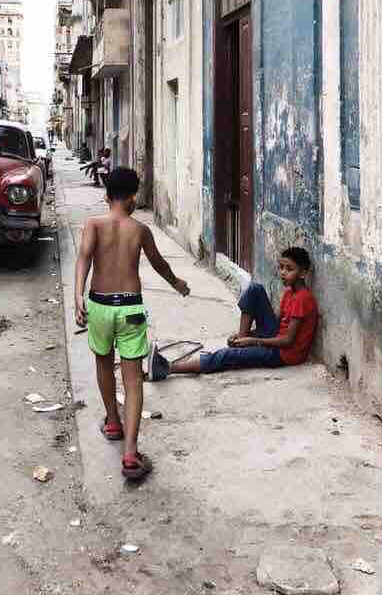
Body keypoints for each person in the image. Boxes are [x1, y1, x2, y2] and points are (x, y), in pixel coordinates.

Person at [74, 167, 190, 480]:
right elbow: (159, 264)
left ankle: (113, 421)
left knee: (102, 362)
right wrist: (177, 283)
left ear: (106, 195)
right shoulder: (139, 230)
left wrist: (77, 296)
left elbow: (83, 257)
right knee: (133, 380)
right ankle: (130, 454)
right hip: (129, 308)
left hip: (98, 304)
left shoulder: (93, 224)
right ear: (133, 196)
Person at [146, 246, 318, 381]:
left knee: (227, 356)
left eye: (289, 269)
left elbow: (287, 341)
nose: (282, 273)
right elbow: (279, 325)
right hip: (278, 340)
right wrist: (245, 336)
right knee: (255, 289)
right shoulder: (289, 292)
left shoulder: (303, 299)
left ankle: (167, 368)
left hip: (285, 355)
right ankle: (240, 341)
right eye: (281, 267)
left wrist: (254, 341)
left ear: (303, 273)